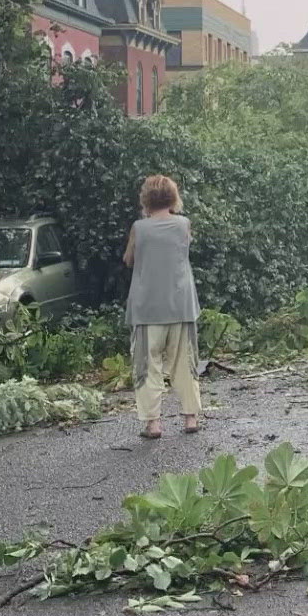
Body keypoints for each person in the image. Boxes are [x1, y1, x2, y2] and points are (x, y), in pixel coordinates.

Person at [123, 174, 201, 439]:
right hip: (181, 304)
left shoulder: (139, 228)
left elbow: (129, 260)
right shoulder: (184, 224)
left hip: (147, 308)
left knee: (147, 365)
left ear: (146, 199)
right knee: (184, 362)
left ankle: (153, 423)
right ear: (172, 197)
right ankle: (190, 417)